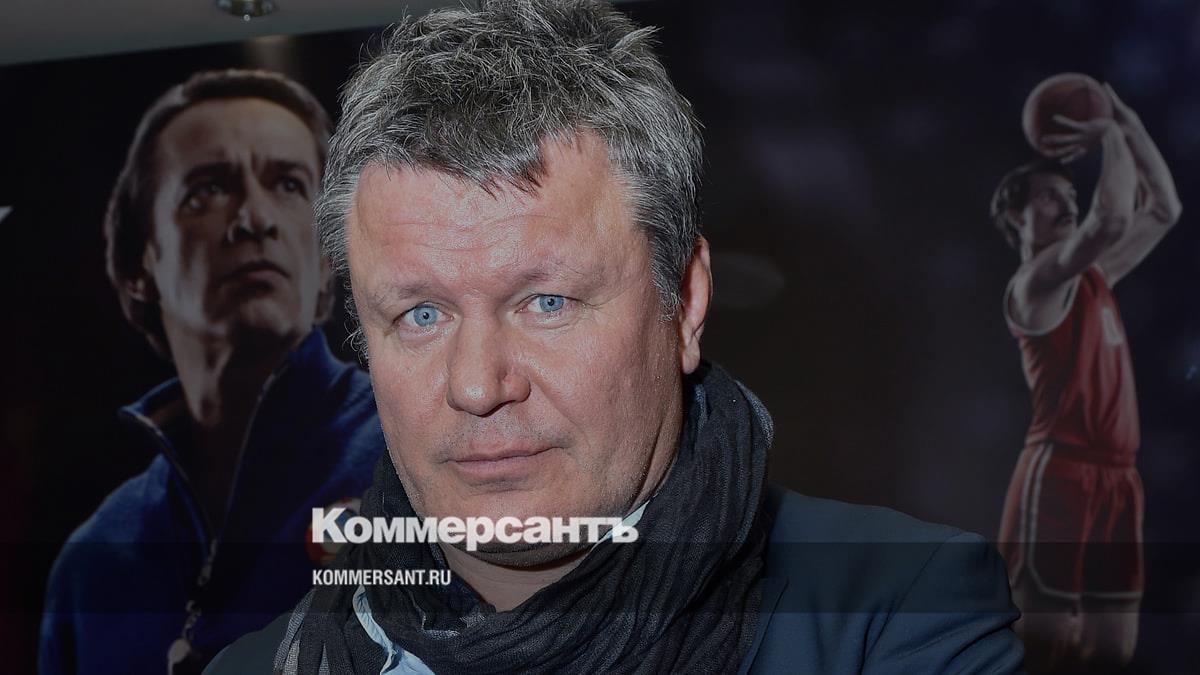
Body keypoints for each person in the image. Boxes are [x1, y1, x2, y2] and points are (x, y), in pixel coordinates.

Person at [210, 2, 1024, 672]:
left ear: (687, 301)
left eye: (547, 302)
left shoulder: (901, 616)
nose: (478, 384)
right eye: (421, 314)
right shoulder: (259, 665)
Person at [39, 70, 385, 675]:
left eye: (289, 184)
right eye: (207, 191)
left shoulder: (408, 458)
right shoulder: (93, 563)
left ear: (327, 251)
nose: (254, 218)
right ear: (141, 262)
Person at [991, 86, 1181, 673]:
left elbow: (1163, 209)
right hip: (1061, 471)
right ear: (1017, 217)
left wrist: (1128, 118)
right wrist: (1107, 134)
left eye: (1071, 194)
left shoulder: (1093, 276)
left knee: (1111, 651)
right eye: (1050, 196)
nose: (1067, 204)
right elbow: (1112, 217)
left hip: (1118, 475)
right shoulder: (1033, 284)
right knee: (1043, 643)